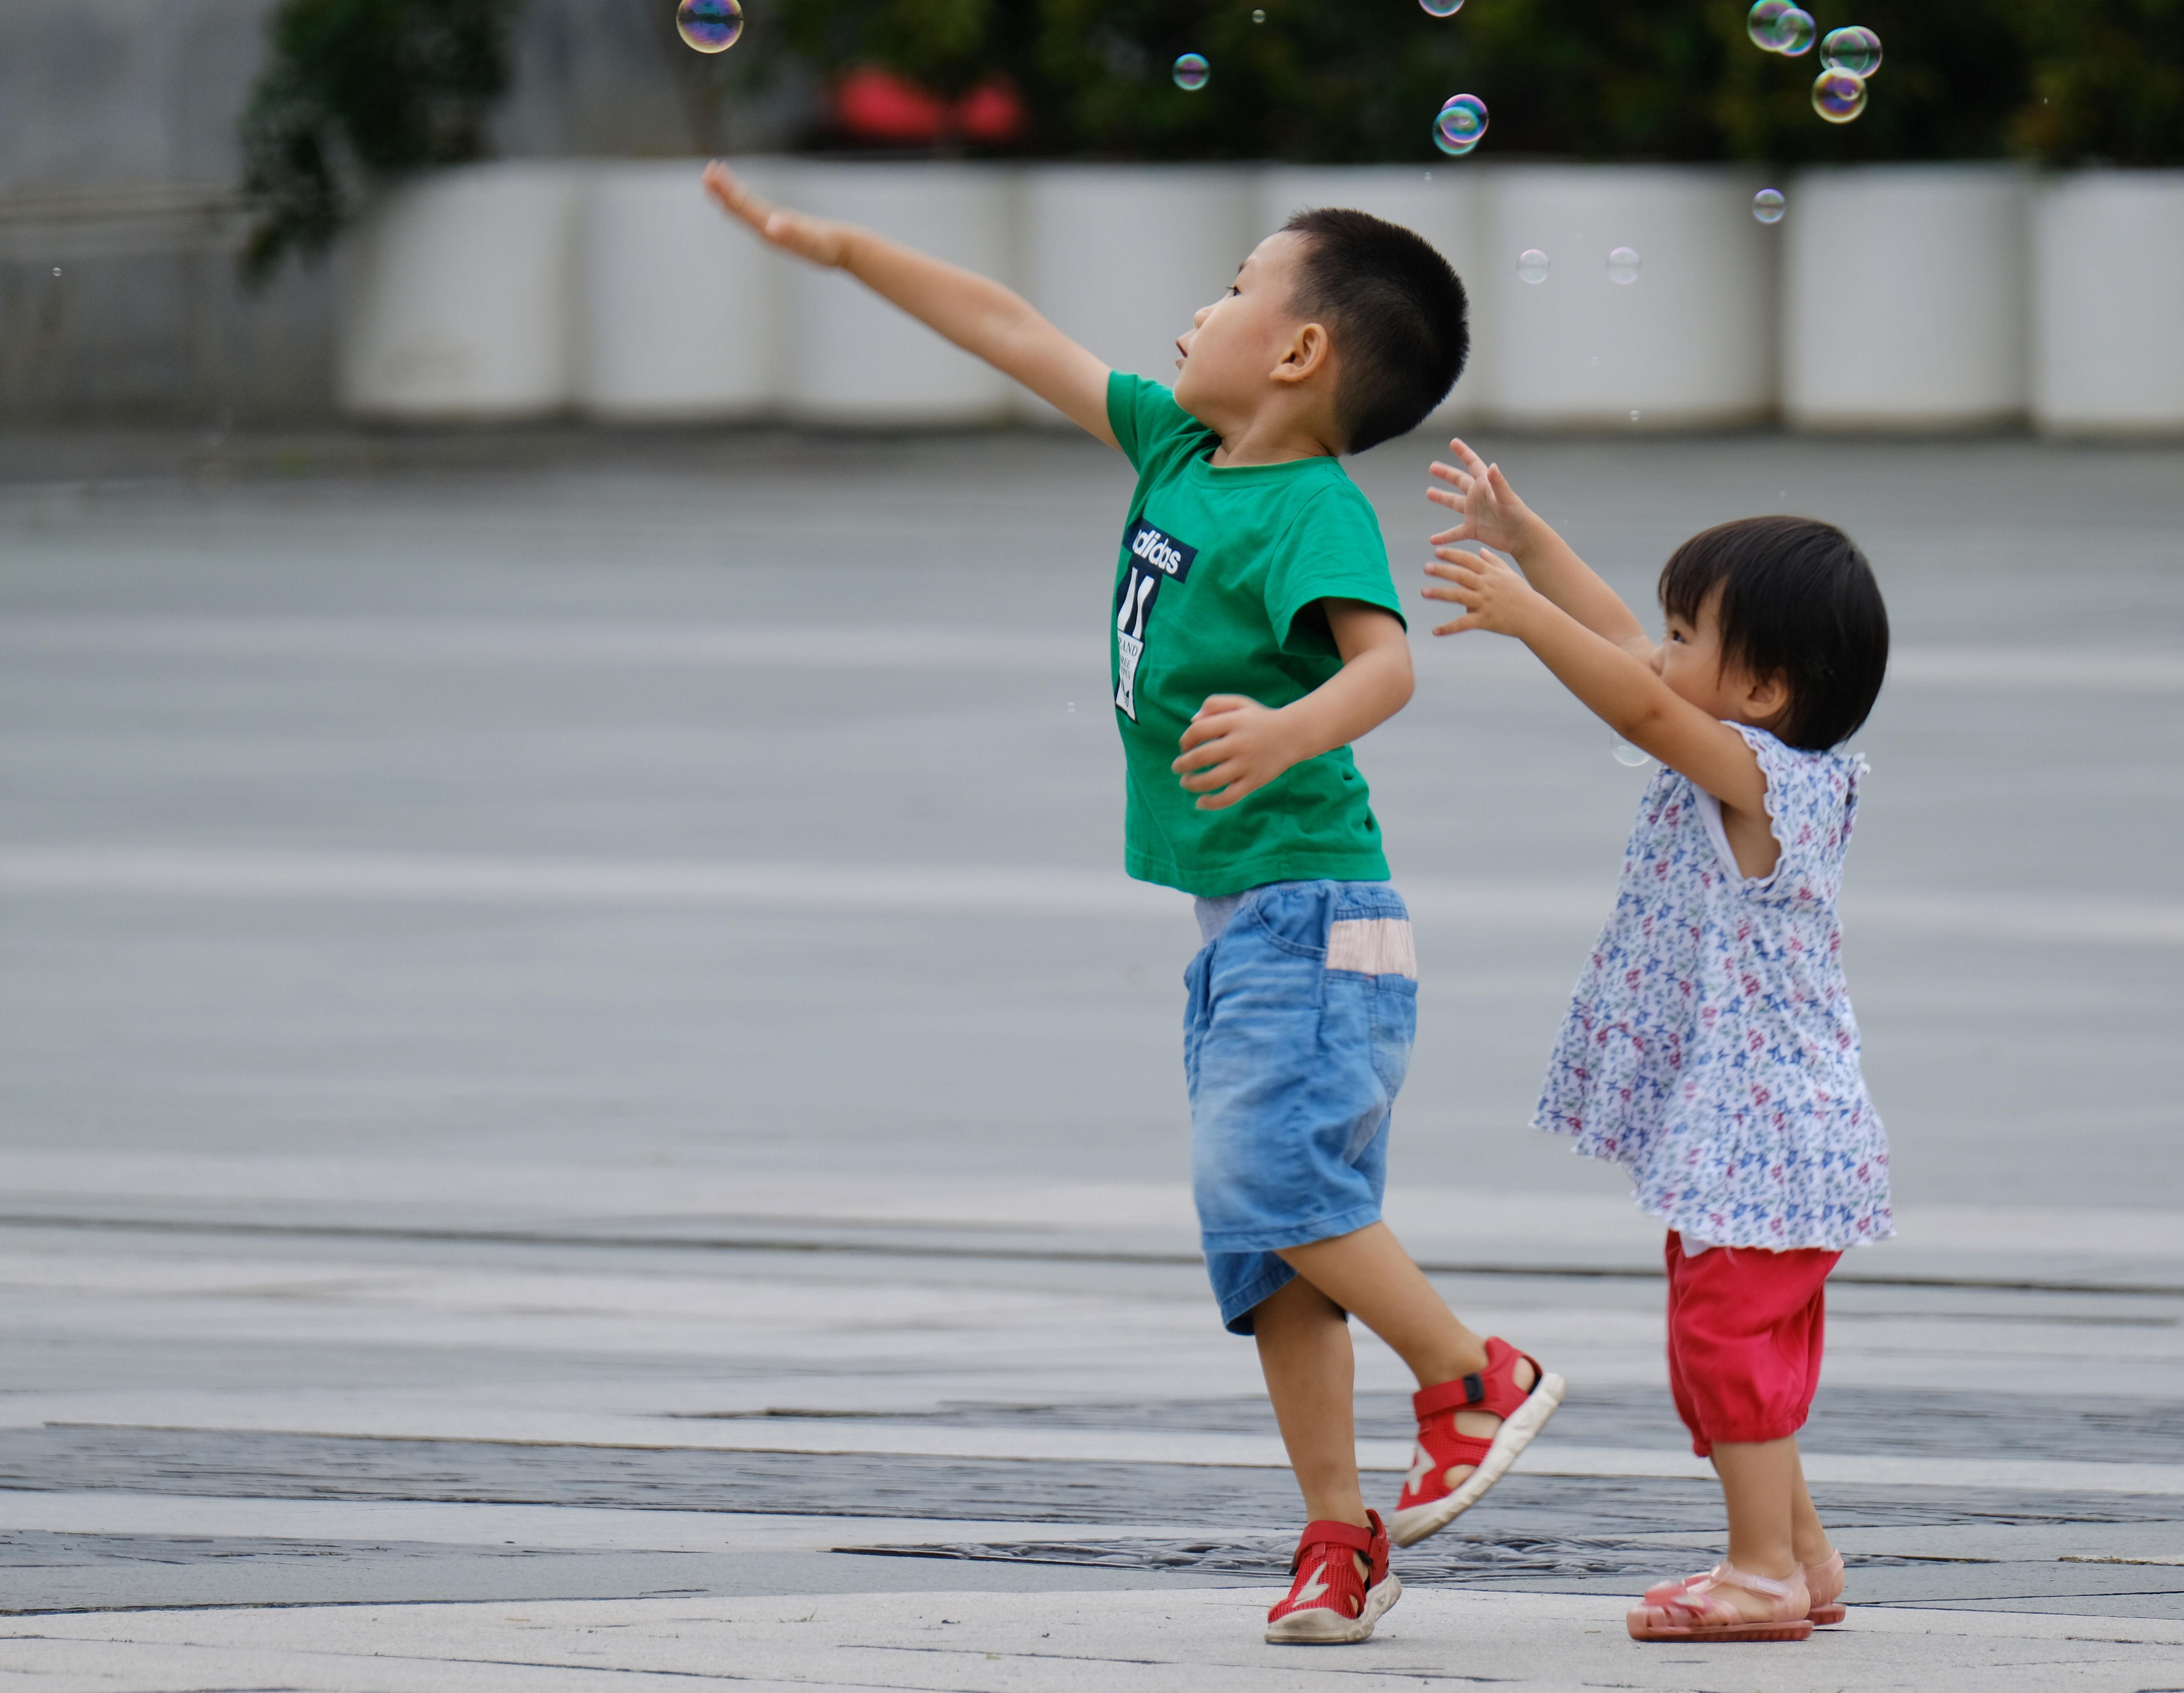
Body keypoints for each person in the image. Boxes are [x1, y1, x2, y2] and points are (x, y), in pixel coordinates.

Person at [702, 166, 1564, 1647]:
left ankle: (1476, 1376)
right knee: (1268, 1244)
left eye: (1235, 288)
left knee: (1274, 1191)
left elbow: (1387, 665)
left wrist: (1296, 727)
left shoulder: (1306, 506)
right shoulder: (1178, 446)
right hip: (1240, 921)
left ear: (1301, 353)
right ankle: (1337, 1542)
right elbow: (1009, 327)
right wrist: (836, 246)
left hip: (1315, 912)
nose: (1200, 310)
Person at [1419, 440, 1893, 1644]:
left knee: (1724, 1346)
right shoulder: (1741, 742)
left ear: (1767, 689)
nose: (1662, 653)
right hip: (1760, 1127)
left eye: (1695, 637)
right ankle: (1804, 1557)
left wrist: (1524, 619)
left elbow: (1627, 689)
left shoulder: (1758, 776)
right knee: (1742, 1344)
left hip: (1769, 1129)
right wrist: (1531, 546)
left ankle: (1757, 1575)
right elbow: (1628, 643)